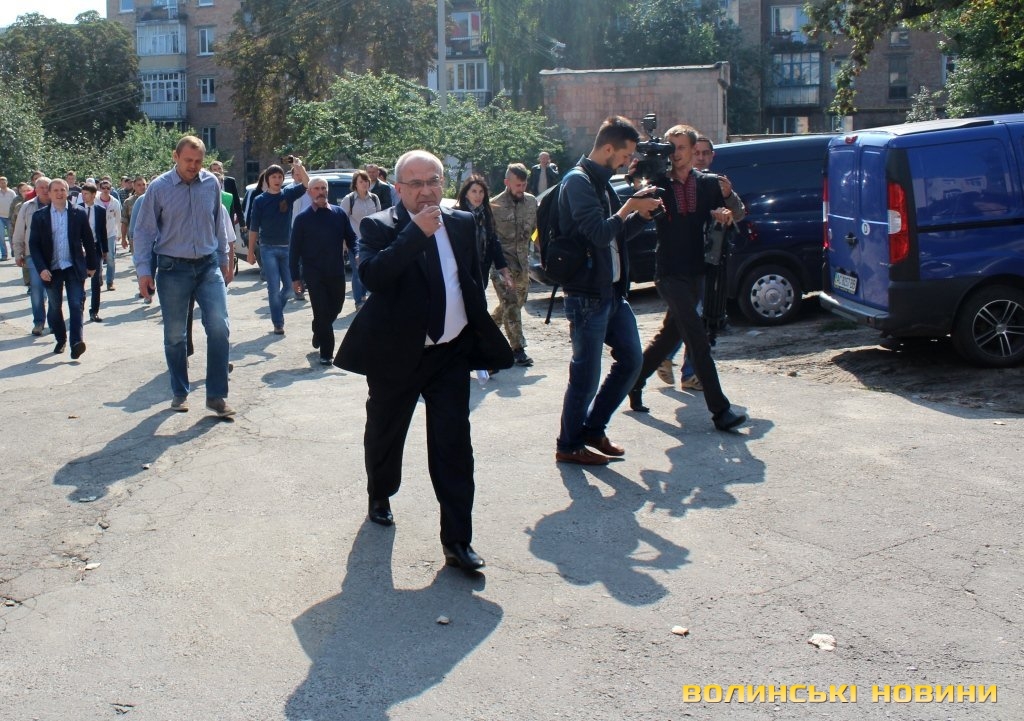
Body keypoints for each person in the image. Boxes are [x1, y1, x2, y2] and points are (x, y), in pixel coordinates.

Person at [335, 149, 513, 572]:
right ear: (398, 189)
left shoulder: (463, 223)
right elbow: (373, 276)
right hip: (396, 355)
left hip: (450, 353)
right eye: (415, 184)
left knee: (454, 446)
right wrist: (415, 233)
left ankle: (457, 541)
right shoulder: (378, 226)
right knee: (385, 435)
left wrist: (478, 340)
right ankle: (380, 492)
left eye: (433, 181)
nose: (426, 191)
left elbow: (468, 280)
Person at [555, 116, 663, 466]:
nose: (627, 162)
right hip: (587, 295)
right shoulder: (578, 181)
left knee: (632, 361)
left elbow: (616, 235)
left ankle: (593, 429)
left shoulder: (601, 183)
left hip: (612, 292)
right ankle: (568, 444)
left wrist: (642, 216)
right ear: (607, 149)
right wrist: (630, 206)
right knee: (585, 376)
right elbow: (599, 234)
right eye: (625, 155)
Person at [627, 125, 746, 431]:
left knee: (669, 337)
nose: (676, 153)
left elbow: (737, 213)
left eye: (681, 147)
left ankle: (633, 382)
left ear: (694, 151)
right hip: (668, 273)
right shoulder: (659, 183)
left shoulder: (709, 184)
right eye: (672, 147)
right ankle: (720, 411)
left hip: (698, 272)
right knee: (697, 337)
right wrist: (636, 176)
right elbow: (636, 192)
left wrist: (726, 208)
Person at [133, 135, 235, 417]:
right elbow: (144, 232)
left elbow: (218, 223)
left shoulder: (211, 184)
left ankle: (216, 395)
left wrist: (225, 259)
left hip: (208, 266)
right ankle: (180, 391)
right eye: (188, 160)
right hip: (172, 268)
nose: (193, 166)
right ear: (175, 157)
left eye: (198, 161)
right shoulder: (159, 188)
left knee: (219, 326)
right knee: (175, 334)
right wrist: (143, 271)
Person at [654, 134, 746, 390]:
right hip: (674, 268)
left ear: (711, 156)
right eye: (698, 153)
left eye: (706, 153)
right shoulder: (667, 182)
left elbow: (737, 213)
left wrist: (728, 198)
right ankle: (666, 363)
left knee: (691, 319)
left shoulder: (712, 183)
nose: (701, 158)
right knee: (688, 320)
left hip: (707, 263)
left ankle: (678, 366)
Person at [290, 177, 357, 365]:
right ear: (309, 192)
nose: (321, 192)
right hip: (313, 274)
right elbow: (294, 251)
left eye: (324, 188)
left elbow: (351, 238)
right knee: (321, 310)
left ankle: (318, 328)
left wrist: (358, 253)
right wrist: (295, 278)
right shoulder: (302, 219)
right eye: (317, 188)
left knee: (336, 307)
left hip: (336, 271)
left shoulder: (338, 214)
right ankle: (327, 354)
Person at [28, 178, 97, 359]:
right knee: (54, 306)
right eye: (56, 190)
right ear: (49, 194)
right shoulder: (40, 216)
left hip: (73, 266)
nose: (59, 193)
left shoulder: (78, 213)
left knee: (76, 304)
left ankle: (76, 342)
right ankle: (61, 338)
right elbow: (34, 245)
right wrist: (41, 268)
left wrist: (92, 265)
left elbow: (88, 241)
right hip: (51, 269)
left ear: (68, 192)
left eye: (62, 190)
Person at [248, 159, 310, 334]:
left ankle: (276, 310)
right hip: (267, 248)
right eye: (273, 177)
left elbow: (307, 184)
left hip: (287, 248)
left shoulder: (288, 194)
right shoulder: (260, 200)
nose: (277, 180)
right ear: (267, 179)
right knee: (273, 287)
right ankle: (278, 323)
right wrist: (251, 252)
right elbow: (254, 228)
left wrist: (299, 167)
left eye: (279, 177)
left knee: (290, 288)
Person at [489, 163, 537, 366]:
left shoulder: (531, 202)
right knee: (510, 304)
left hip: (523, 264)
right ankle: (518, 349)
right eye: (518, 185)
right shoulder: (494, 205)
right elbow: (488, 238)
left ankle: (484, 332)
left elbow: (535, 230)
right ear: (507, 182)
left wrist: (540, 250)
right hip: (502, 265)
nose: (521, 189)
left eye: (524, 184)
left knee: (515, 304)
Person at [455, 174, 511, 290]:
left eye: (481, 192)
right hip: (461, 272)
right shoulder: (456, 215)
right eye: (474, 191)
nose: (478, 196)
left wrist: (504, 271)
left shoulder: (486, 214)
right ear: (466, 194)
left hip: (482, 270)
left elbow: (494, 243)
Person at [12, 176, 52, 335]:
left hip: (54, 254)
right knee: (36, 288)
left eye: (47, 187)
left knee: (53, 290)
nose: (44, 190)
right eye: (41, 187)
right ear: (35, 189)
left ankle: (53, 322)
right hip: (32, 253)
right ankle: (39, 322)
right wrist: (18, 252)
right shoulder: (27, 206)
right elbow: (19, 230)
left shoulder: (58, 204)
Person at [339, 169, 380, 310]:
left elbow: (380, 218)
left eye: (366, 181)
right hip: (355, 240)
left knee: (371, 269)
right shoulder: (349, 199)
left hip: (372, 240)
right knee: (357, 270)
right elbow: (341, 221)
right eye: (361, 181)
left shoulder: (374, 198)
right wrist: (344, 241)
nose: (364, 184)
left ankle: (365, 296)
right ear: (355, 184)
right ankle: (359, 301)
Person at [79, 183, 109, 323]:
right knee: (80, 279)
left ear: (93, 195)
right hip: (80, 248)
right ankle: (79, 308)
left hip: (95, 247)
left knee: (96, 280)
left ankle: (94, 311)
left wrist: (105, 250)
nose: (83, 196)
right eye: (82, 193)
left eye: (86, 194)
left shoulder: (100, 210)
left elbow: (103, 231)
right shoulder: (77, 209)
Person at [95, 179, 122, 291]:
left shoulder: (115, 202)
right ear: (100, 188)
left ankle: (110, 281)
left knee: (110, 258)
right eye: (103, 188)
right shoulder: (95, 200)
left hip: (110, 233)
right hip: (97, 233)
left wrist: (119, 233)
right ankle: (98, 276)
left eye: (108, 188)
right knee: (98, 258)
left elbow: (118, 218)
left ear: (111, 189)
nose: (106, 190)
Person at [0, 175, 16, 260]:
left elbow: (15, 204)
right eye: (1, 183)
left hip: (10, 217)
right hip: (0, 217)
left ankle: (14, 252)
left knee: (11, 236)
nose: (2, 184)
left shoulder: (11, 193)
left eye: (4, 182)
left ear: (7, 182)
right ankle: (4, 254)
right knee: (1, 236)